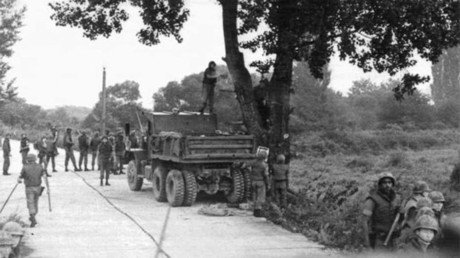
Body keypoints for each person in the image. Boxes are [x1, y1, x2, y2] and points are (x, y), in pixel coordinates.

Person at [362, 172, 402, 250]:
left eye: (389, 182)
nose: (387, 185)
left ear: (392, 184)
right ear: (380, 184)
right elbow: (364, 221)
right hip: (379, 240)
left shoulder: (397, 198)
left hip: (394, 240)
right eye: (384, 182)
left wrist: (402, 213)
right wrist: (367, 244)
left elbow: (401, 221)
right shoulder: (372, 200)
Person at [17, 154, 46, 227]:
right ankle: (33, 216)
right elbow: (44, 175)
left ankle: (32, 217)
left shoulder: (25, 167)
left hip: (29, 187)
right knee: (36, 202)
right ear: (35, 159)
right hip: (38, 187)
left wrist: (19, 180)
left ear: (28, 160)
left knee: (30, 203)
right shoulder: (40, 166)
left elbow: (20, 176)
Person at [246, 151, 269, 217]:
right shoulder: (264, 165)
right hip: (260, 182)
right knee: (260, 197)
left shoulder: (253, 162)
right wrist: (268, 184)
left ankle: (254, 211)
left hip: (253, 181)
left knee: (254, 196)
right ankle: (258, 211)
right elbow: (266, 175)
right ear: (264, 157)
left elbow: (246, 165)